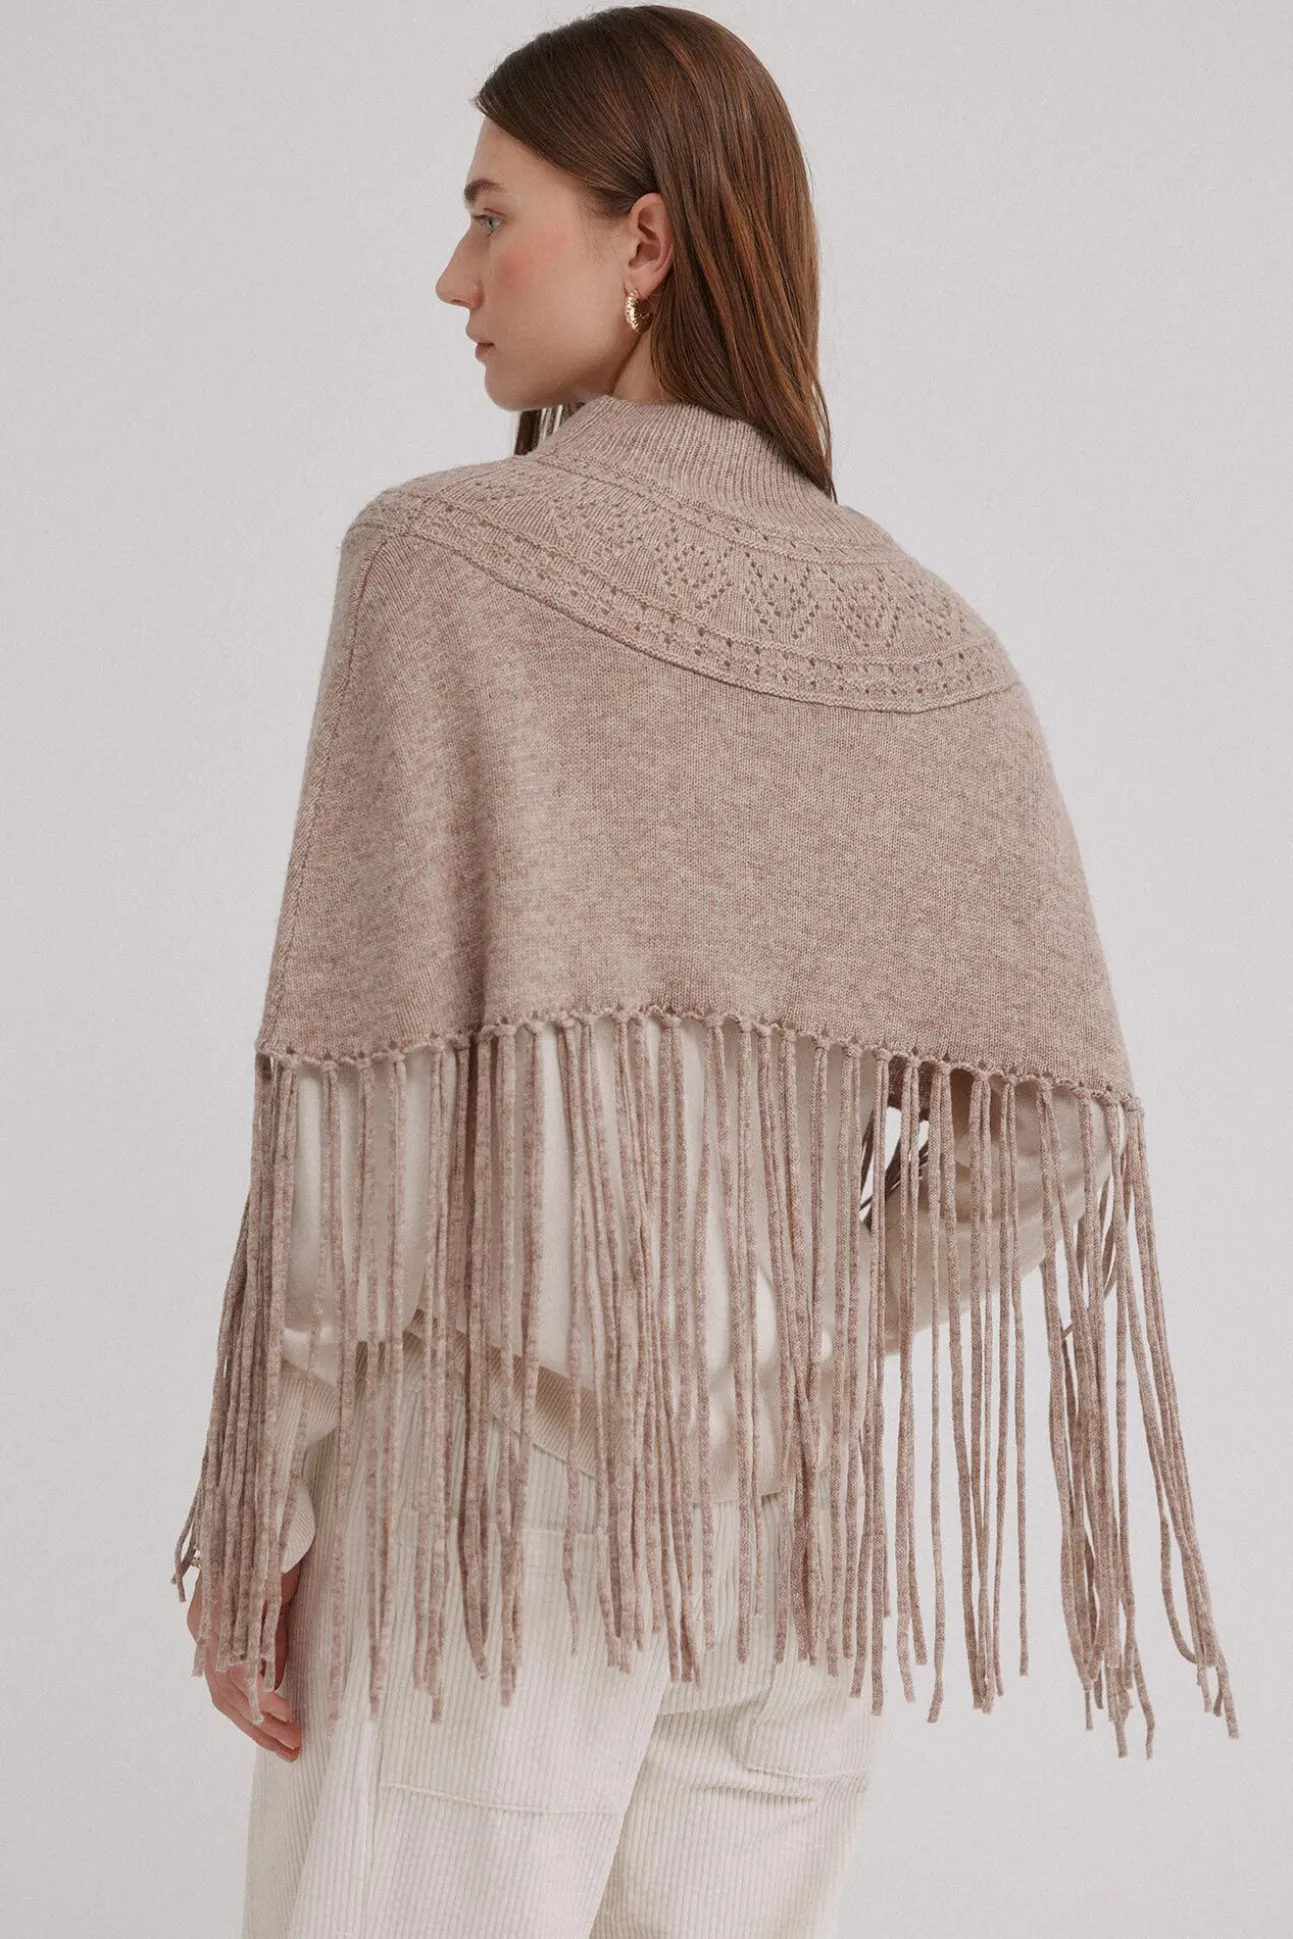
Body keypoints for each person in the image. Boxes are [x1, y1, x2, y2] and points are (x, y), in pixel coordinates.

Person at [174, 9, 1235, 1937]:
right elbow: (1055, 1136)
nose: (454, 277)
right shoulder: (922, 638)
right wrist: (791, 1309)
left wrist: (263, 1495)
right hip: (789, 1544)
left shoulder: (440, 564)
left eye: (492, 216)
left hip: (491, 1513)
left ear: (644, 241)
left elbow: (362, 1107)